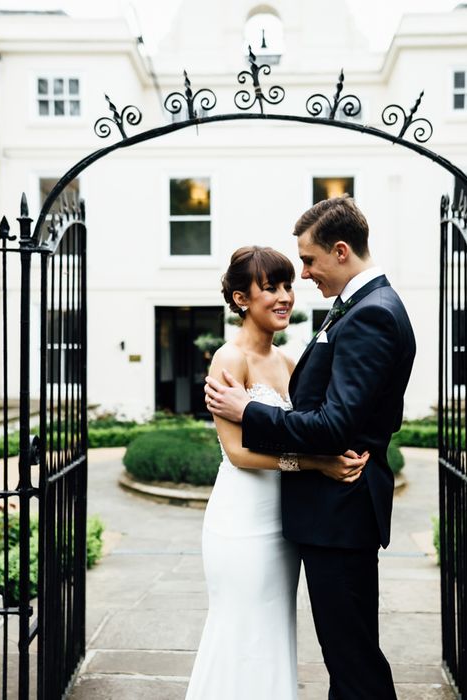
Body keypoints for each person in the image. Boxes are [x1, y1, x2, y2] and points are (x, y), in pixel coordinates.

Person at [205, 195, 416, 700]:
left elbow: (335, 423)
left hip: (338, 514)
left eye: (307, 261)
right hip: (304, 516)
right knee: (347, 656)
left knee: (353, 659)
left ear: (340, 251)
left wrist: (249, 411)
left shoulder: (371, 314)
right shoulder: (362, 308)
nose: (301, 277)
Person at [185, 245, 369, 700]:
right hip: (240, 522)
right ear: (242, 299)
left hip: (283, 523)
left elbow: (305, 428)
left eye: (288, 285)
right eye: (271, 287)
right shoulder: (230, 360)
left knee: (272, 630)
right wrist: (317, 464)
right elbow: (239, 454)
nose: (285, 296)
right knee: (240, 630)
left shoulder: (290, 362)